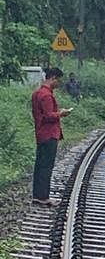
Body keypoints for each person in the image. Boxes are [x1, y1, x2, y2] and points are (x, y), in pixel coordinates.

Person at [31, 67, 72, 207]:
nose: (59, 83)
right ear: (53, 78)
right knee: (46, 166)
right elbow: (49, 116)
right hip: (49, 134)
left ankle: (37, 195)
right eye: (58, 80)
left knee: (40, 165)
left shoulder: (37, 93)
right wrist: (61, 113)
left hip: (41, 133)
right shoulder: (47, 95)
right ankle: (43, 197)